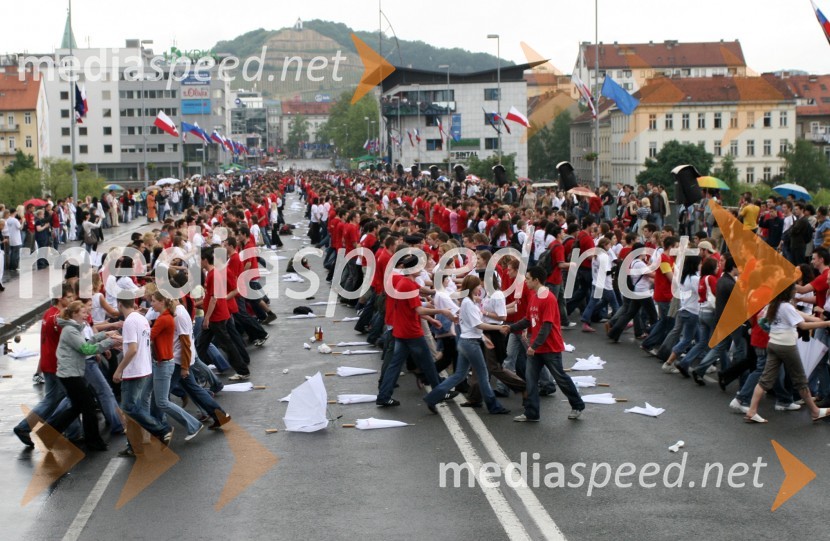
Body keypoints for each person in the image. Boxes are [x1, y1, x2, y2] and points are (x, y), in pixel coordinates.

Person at [502, 266, 585, 422]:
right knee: (531, 380)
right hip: (536, 348)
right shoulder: (534, 296)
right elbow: (528, 319)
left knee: (560, 377)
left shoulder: (548, 298)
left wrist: (534, 346)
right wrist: (511, 328)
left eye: (527, 279)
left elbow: (546, 326)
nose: (525, 281)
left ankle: (577, 405)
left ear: (536, 280)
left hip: (550, 348)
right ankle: (532, 413)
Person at [743, 282, 830, 423]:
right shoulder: (786, 306)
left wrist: (772, 330)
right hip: (787, 346)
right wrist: (826, 324)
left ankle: (752, 411)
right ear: (787, 292)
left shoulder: (773, 304)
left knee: (765, 379)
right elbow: (802, 324)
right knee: (801, 380)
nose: (795, 293)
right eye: (794, 290)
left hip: (773, 343)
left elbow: (761, 320)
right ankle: (815, 411)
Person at [423, 275, 510, 414]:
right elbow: (478, 324)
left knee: (459, 375)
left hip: (465, 341)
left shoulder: (467, 302)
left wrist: (483, 338)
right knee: (482, 375)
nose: (480, 287)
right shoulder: (468, 303)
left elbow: (472, 325)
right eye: (478, 286)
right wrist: (499, 328)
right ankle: (493, 406)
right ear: (472, 287)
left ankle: (432, 397)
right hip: (470, 344)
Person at [47, 300, 119, 452]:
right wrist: (110, 342)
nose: (87, 314)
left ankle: (50, 432)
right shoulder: (70, 331)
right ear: (74, 314)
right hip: (70, 374)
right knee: (88, 406)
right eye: (83, 312)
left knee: (78, 406)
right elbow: (86, 349)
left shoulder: (74, 329)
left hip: (71, 373)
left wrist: (104, 335)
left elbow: (86, 341)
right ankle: (93, 441)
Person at [113, 297, 173, 456]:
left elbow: (133, 349)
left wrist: (119, 369)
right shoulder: (141, 318)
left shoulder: (130, 321)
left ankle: (161, 429)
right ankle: (134, 445)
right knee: (132, 410)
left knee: (129, 408)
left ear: (119, 304)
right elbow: (138, 344)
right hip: (144, 368)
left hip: (134, 371)